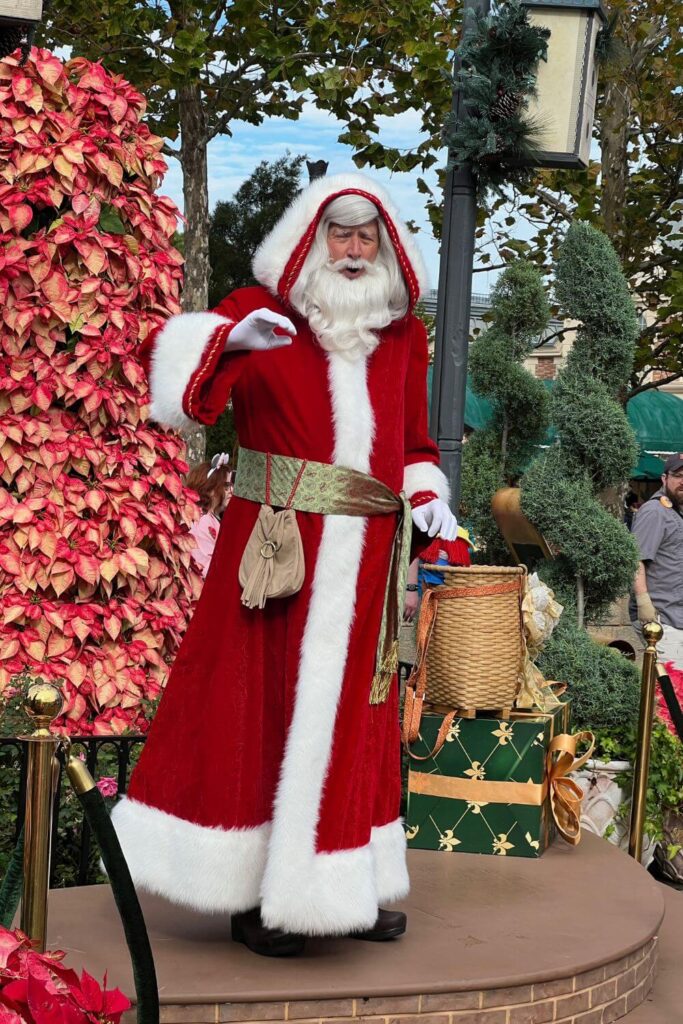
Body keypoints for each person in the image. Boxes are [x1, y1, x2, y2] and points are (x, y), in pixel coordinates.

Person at [111, 173, 457, 956]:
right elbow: (179, 393)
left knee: (354, 721)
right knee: (256, 708)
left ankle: (344, 886)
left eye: (367, 235)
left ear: (388, 246)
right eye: (339, 232)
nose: (354, 248)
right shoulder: (257, 308)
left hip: (366, 553)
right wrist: (229, 343)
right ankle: (254, 895)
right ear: (309, 238)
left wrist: (428, 491)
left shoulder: (402, 333)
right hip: (275, 548)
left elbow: (412, 442)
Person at [630, 453, 683, 668]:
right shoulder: (655, 511)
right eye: (679, 476)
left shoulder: (674, 512)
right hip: (661, 618)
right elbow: (635, 559)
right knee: (673, 692)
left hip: (675, 616)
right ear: (664, 478)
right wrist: (644, 603)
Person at [186, 452, 233, 578]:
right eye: (226, 486)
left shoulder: (204, 516)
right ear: (211, 489)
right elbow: (211, 566)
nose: (231, 491)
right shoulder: (203, 520)